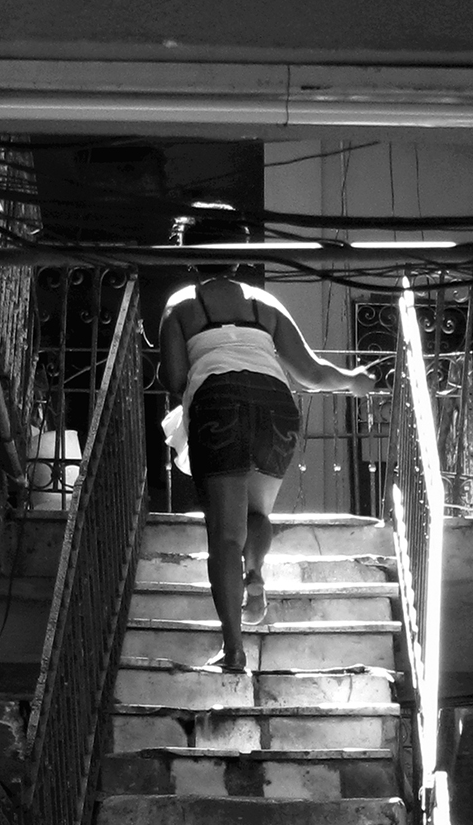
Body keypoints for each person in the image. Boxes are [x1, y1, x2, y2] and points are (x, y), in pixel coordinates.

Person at [160, 210, 379, 674]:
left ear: (189, 254)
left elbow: (175, 378)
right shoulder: (264, 304)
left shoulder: (182, 304)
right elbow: (311, 372)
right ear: (240, 255)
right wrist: (353, 380)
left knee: (225, 535)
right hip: (276, 404)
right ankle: (255, 574)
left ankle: (233, 650)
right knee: (257, 515)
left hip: (219, 403)